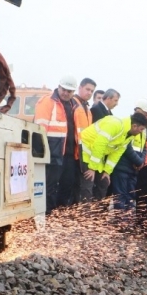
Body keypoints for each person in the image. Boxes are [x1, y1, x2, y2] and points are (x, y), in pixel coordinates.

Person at [79, 112, 147, 212]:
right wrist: (92, 168)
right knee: (88, 184)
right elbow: (100, 144)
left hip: (98, 155)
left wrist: (107, 171)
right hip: (86, 149)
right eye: (141, 129)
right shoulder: (115, 124)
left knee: (103, 183)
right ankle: (83, 216)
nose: (141, 132)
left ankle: (95, 217)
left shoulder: (129, 135)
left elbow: (117, 153)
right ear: (134, 126)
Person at [33, 75, 77, 214]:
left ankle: (58, 217)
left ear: (73, 92)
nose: (66, 93)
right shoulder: (47, 101)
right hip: (52, 152)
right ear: (58, 87)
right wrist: (40, 153)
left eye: (69, 91)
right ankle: (47, 215)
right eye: (64, 89)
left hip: (68, 154)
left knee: (66, 186)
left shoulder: (74, 105)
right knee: (49, 187)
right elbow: (39, 128)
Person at [58, 77, 95, 206]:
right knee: (70, 188)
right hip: (72, 154)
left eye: (92, 91)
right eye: (87, 89)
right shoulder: (73, 104)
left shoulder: (87, 109)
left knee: (77, 189)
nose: (89, 93)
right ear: (79, 88)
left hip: (82, 155)